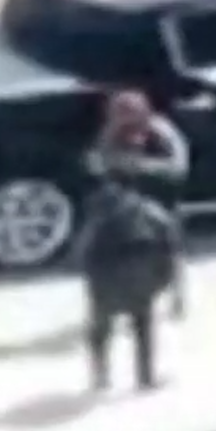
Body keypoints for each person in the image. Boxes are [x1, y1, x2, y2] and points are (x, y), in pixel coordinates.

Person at [85, 89, 190, 318]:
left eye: (129, 114)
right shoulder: (111, 132)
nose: (124, 121)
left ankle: (178, 295)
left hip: (159, 194)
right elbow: (98, 162)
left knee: (170, 242)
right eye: (119, 115)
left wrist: (141, 165)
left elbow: (179, 167)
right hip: (125, 196)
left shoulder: (161, 131)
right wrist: (103, 164)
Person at [76, 175, 180, 392]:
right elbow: (170, 249)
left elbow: (81, 256)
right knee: (143, 329)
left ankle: (100, 377)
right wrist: (168, 285)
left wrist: (92, 281)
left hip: (105, 284)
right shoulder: (151, 212)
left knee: (100, 330)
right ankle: (145, 378)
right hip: (141, 282)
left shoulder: (96, 219)